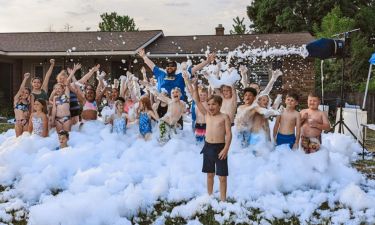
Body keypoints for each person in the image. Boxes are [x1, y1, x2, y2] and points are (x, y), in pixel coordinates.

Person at [193, 80, 232, 201]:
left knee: (222, 177)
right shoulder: (207, 115)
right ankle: (209, 196)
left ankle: (223, 200)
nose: (210, 107)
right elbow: (197, 100)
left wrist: (226, 149)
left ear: (220, 105)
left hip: (220, 148)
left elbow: (229, 134)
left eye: (214, 104)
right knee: (210, 174)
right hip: (208, 147)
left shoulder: (224, 117)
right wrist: (195, 86)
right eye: (209, 104)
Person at [138, 48, 216, 100]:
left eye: (172, 66)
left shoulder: (180, 76)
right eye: (168, 66)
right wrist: (144, 56)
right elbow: (152, 65)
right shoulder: (161, 74)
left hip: (178, 106)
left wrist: (207, 61)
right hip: (162, 105)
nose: (169, 67)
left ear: (176, 68)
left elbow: (194, 69)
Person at [14, 73, 33, 137]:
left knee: (25, 139)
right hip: (18, 122)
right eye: (23, 92)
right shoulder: (17, 100)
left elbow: (30, 113)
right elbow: (21, 88)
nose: (24, 94)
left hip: (26, 122)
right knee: (18, 140)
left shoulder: (28, 103)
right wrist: (25, 78)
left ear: (28, 95)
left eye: (26, 93)